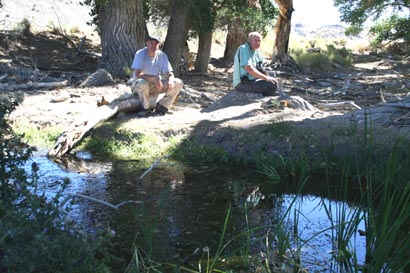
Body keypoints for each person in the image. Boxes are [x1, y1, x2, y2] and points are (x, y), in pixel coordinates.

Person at [130, 35, 183, 117]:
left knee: (178, 82)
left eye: (155, 44)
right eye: (151, 43)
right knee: (142, 82)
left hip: (156, 86)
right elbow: (137, 74)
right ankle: (146, 108)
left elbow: (169, 72)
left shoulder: (162, 55)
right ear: (147, 43)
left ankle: (162, 107)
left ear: (158, 45)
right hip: (140, 86)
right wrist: (154, 78)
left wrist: (170, 80)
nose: (153, 45)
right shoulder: (140, 54)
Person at [233, 32, 278, 96]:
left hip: (253, 80)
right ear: (249, 40)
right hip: (242, 84)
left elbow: (262, 68)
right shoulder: (244, 49)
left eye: (259, 41)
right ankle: (267, 97)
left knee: (272, 75)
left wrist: (269, 77)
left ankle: (267, 94)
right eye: (255, 40)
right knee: (272, 84)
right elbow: (249, 68)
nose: (257, 43)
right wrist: (266, 78)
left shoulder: (257, 52)